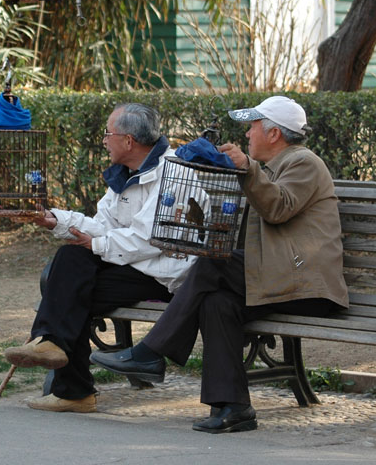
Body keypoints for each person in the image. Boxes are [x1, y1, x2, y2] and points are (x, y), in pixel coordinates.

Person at [90, 96, 348, 433]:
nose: (247, 135)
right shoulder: (272, 167)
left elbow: (279, 208)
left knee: (213, 267)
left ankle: (151, 352)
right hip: (278, 276)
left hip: (307, 285)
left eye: (252, 127)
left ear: (274, 134)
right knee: (217, 302)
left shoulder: (304, 162)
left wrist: (247, 169)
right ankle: (233, 407)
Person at [4, 103, 197, 413]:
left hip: (164, 273)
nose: (104, 141)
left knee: (70, 291)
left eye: (108, 134)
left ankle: (71, 386)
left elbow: (148, 240)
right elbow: (103, 225)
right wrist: (56, 220)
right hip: (132, 265)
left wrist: (96, 245)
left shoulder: (173, 173)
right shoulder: (126, 175)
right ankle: (55, 354)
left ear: (129, 140)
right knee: (70, 268)